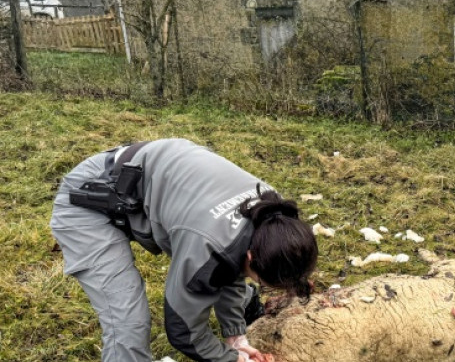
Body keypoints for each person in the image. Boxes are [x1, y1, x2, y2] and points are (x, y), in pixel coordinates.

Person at [50, 138, 318, 362]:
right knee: (128, 322)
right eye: (259, 279)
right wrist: (229, 359)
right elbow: (183, 330)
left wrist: (235, 337)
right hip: (89, 198)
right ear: (251, 256)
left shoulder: (273, 212)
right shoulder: (207, 244)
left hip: (139, 180)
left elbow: (231, 266)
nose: (251, 278)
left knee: (221, 264)